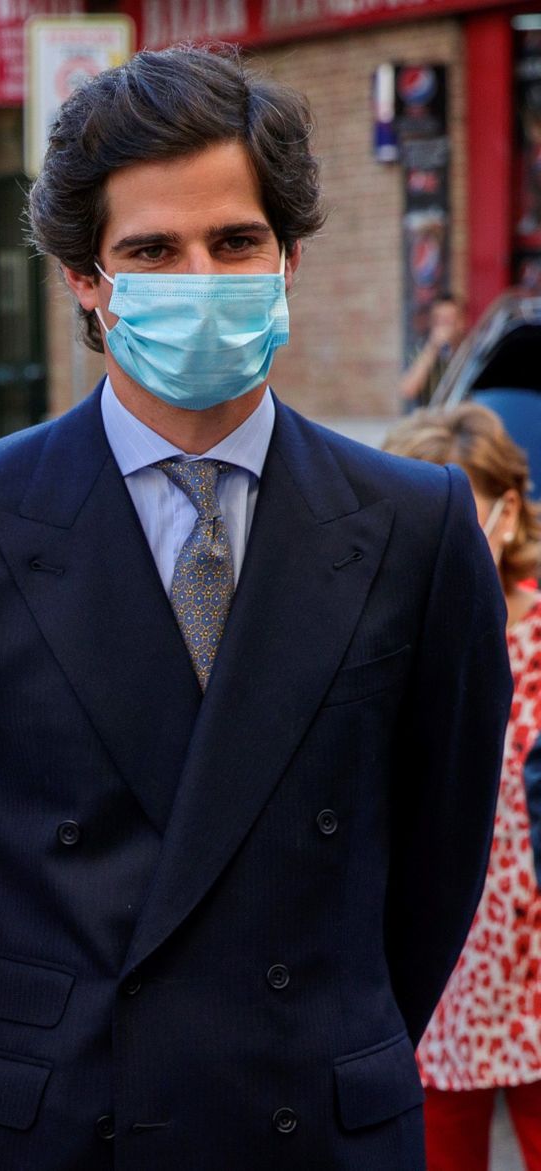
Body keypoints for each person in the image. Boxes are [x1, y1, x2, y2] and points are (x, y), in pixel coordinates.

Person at [0, 44, 511, 1171]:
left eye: (234, 243)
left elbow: (441, 856)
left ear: (288, 257)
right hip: (46, 1134)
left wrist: (331, 1035)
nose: (199, 278)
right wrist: (10, 1057)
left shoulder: (417, 525)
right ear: (83, 278)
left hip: (313, 1127)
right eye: (152, 250)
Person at [385, 405, 541, 1171]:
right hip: (440, 980)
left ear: (508, 513)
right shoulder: (392, 644)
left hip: (535, 964)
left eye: (458, 518)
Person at [399, 293, 466, 411]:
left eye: (449, 319)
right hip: (430, 418)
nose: (443, 325)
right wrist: (433, 347)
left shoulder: (469, 349)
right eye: (439, 320)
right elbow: (408, 390)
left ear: (460, 322)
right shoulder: (420, 349)